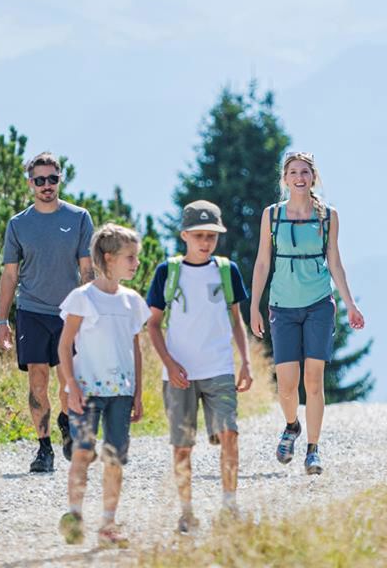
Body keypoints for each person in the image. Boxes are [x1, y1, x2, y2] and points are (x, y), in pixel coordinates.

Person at [248, 151, 365, 476]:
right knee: (287, 385)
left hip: (318, 304)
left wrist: (350, 304)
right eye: (293, 172)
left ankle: (313, 450)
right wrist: (255, 305)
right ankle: (291, 425)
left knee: (313, 381)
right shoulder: (271, 216)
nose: (299, 178)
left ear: (314, 178)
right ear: (284, 179)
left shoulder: (328, 217)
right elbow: (262, 263)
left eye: (305, 172)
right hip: (282, 306)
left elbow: (335, 263)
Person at [145, 200, 255, 534]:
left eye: (211, 235)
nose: (205, 242)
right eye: (198, 235)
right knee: (182, 445)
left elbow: (237, 319)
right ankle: (187, 511)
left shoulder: (226, 270)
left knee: (230, 434)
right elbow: (152, 325)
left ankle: (229, 506)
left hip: (219, 367)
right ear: (184, 235)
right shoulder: (167, 271)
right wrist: (169, 363)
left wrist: (246, 362)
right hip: (179, 375)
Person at [0, 152, 95, 474]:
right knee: (38, 381)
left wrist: (90, 312)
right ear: (30, 184)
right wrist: (2, 321)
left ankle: (67, 422)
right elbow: (10, 275)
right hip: (31, 311)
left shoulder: (79, 218)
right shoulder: (19, 224)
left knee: (68, 382)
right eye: (40, 180)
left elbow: (87, 269)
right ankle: (43, 448)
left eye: (52, 178)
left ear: (60, 180)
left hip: (69, 314)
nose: (47, 185)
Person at [56, 223, 148, 547]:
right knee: (82, 452)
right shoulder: (82, 298)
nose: (136, 263)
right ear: (108, 258)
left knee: (114, 458)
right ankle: (75, 516)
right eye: (130, 257)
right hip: (86, 392)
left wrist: (138, 393)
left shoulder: (133, 301)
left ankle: (108, 525)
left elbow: (135, 349)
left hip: (121, 395)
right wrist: (71, 385)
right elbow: (64, 346)